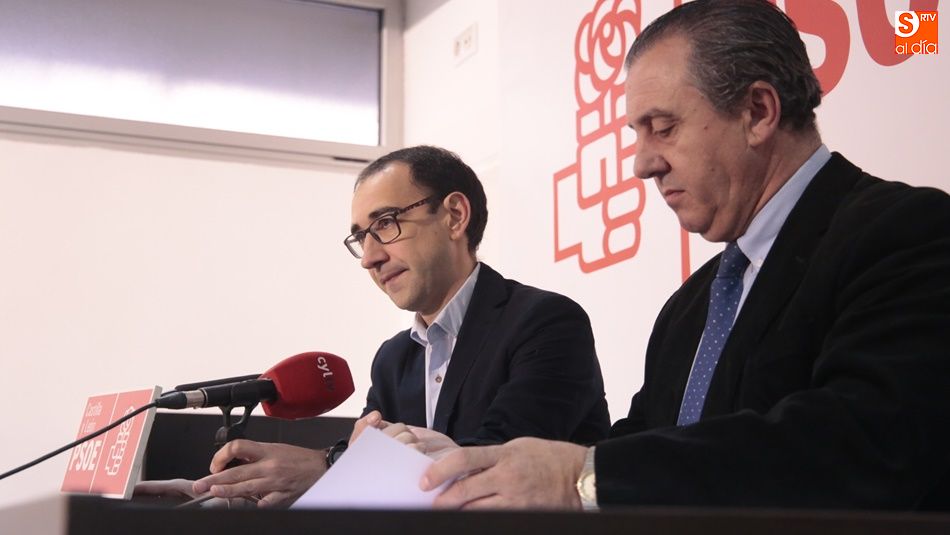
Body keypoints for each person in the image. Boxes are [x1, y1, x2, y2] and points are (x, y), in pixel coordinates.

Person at [420, 0, 950, 510]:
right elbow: (646, 442)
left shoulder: (907, 231)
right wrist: (475, 468)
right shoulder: (691, 305)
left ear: (758, 111)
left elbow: (867, 442)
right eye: (637, 134)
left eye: (664, 128)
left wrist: (581, 480)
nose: (642, 165)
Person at [154, 145, 610, 508]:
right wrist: (233, 496)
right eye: (360, 237)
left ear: (455, 216)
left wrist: (327, 465)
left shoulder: (545, 322)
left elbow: (492, 465)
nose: (370, 257)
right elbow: (369, 480)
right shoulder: (394, 359)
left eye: (386, 224)